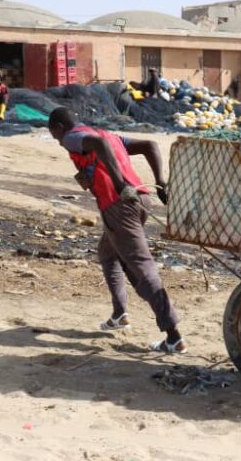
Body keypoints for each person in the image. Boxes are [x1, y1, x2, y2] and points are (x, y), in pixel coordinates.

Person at [47, 107, 187, 353]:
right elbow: (150, 146)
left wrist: (120, 184)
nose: (58, 142)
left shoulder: (73, 137)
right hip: (140, 199)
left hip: (119, 204)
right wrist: (160, 183)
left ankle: (173, 335)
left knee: (142, 267)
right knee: (108, 252)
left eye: (55, 135)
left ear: (59, 128)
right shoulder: (108, 135)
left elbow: (99, 145)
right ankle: (119, 313)